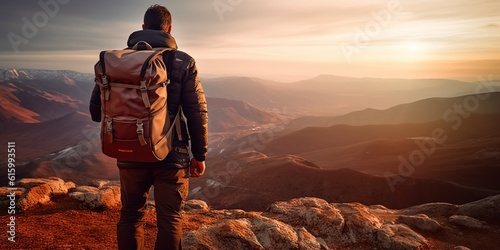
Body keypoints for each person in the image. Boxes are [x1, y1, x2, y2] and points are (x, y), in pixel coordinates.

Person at [89, 4, 208, 250]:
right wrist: (200, 154)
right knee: (170, 219)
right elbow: (196, 112)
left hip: (130, 149)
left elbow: (95, 112)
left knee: (131, 213)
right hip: (172, 154)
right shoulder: (182, 61)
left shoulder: (116, 61)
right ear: (170, 28)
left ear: (142, 28)